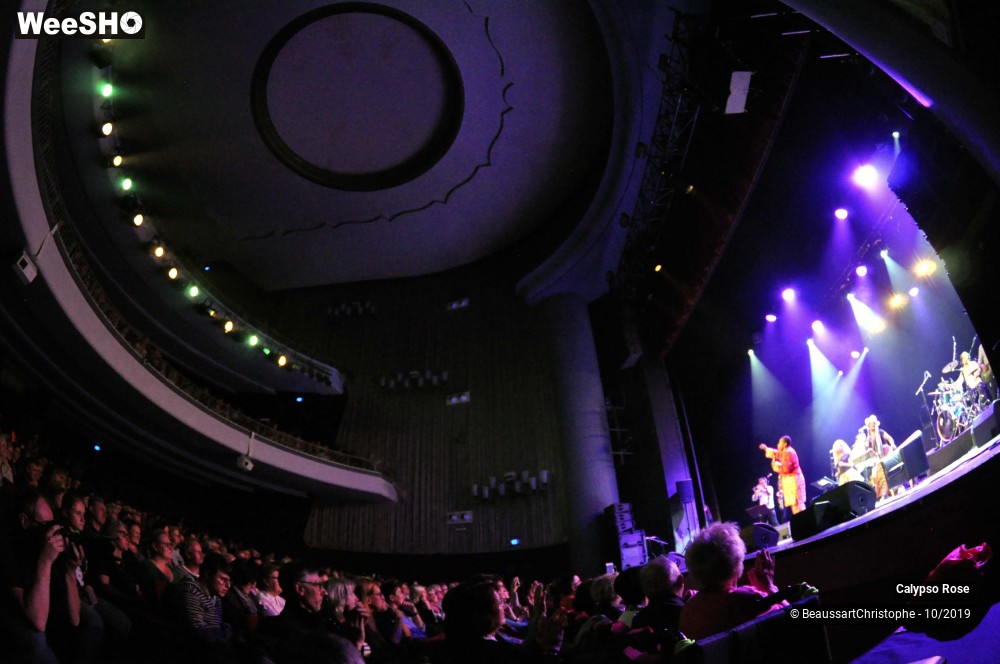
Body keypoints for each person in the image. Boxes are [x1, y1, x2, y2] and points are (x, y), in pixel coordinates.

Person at [677, 522, 785, 640]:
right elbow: (797, 618)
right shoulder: (748, 599)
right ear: (737, 563)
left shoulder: (688, 611)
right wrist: (769, 587)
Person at [758, 436, 806, 515]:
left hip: (794, 480)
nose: (777, 444)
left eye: (779, 443)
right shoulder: (784, 452)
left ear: (785, 444)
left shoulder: (789, 452)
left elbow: (787, 469)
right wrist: (765, 448)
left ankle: (806, 522)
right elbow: (776, 453)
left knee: (797, 504)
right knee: (794, 506)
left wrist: (776, 466)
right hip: (790, 481)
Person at [863, 415, 896, 499]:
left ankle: (893, 490)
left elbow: (889, 438)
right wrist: (866, 446)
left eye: (874, 423)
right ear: (868, 425)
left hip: (885, 454)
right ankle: (884, 493)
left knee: (887, 471)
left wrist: (892, 445)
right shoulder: (868, 438)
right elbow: (867, 448)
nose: (873, 425)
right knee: (876, 475)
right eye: (871, 424)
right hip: (877, 458)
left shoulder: (880, 432)